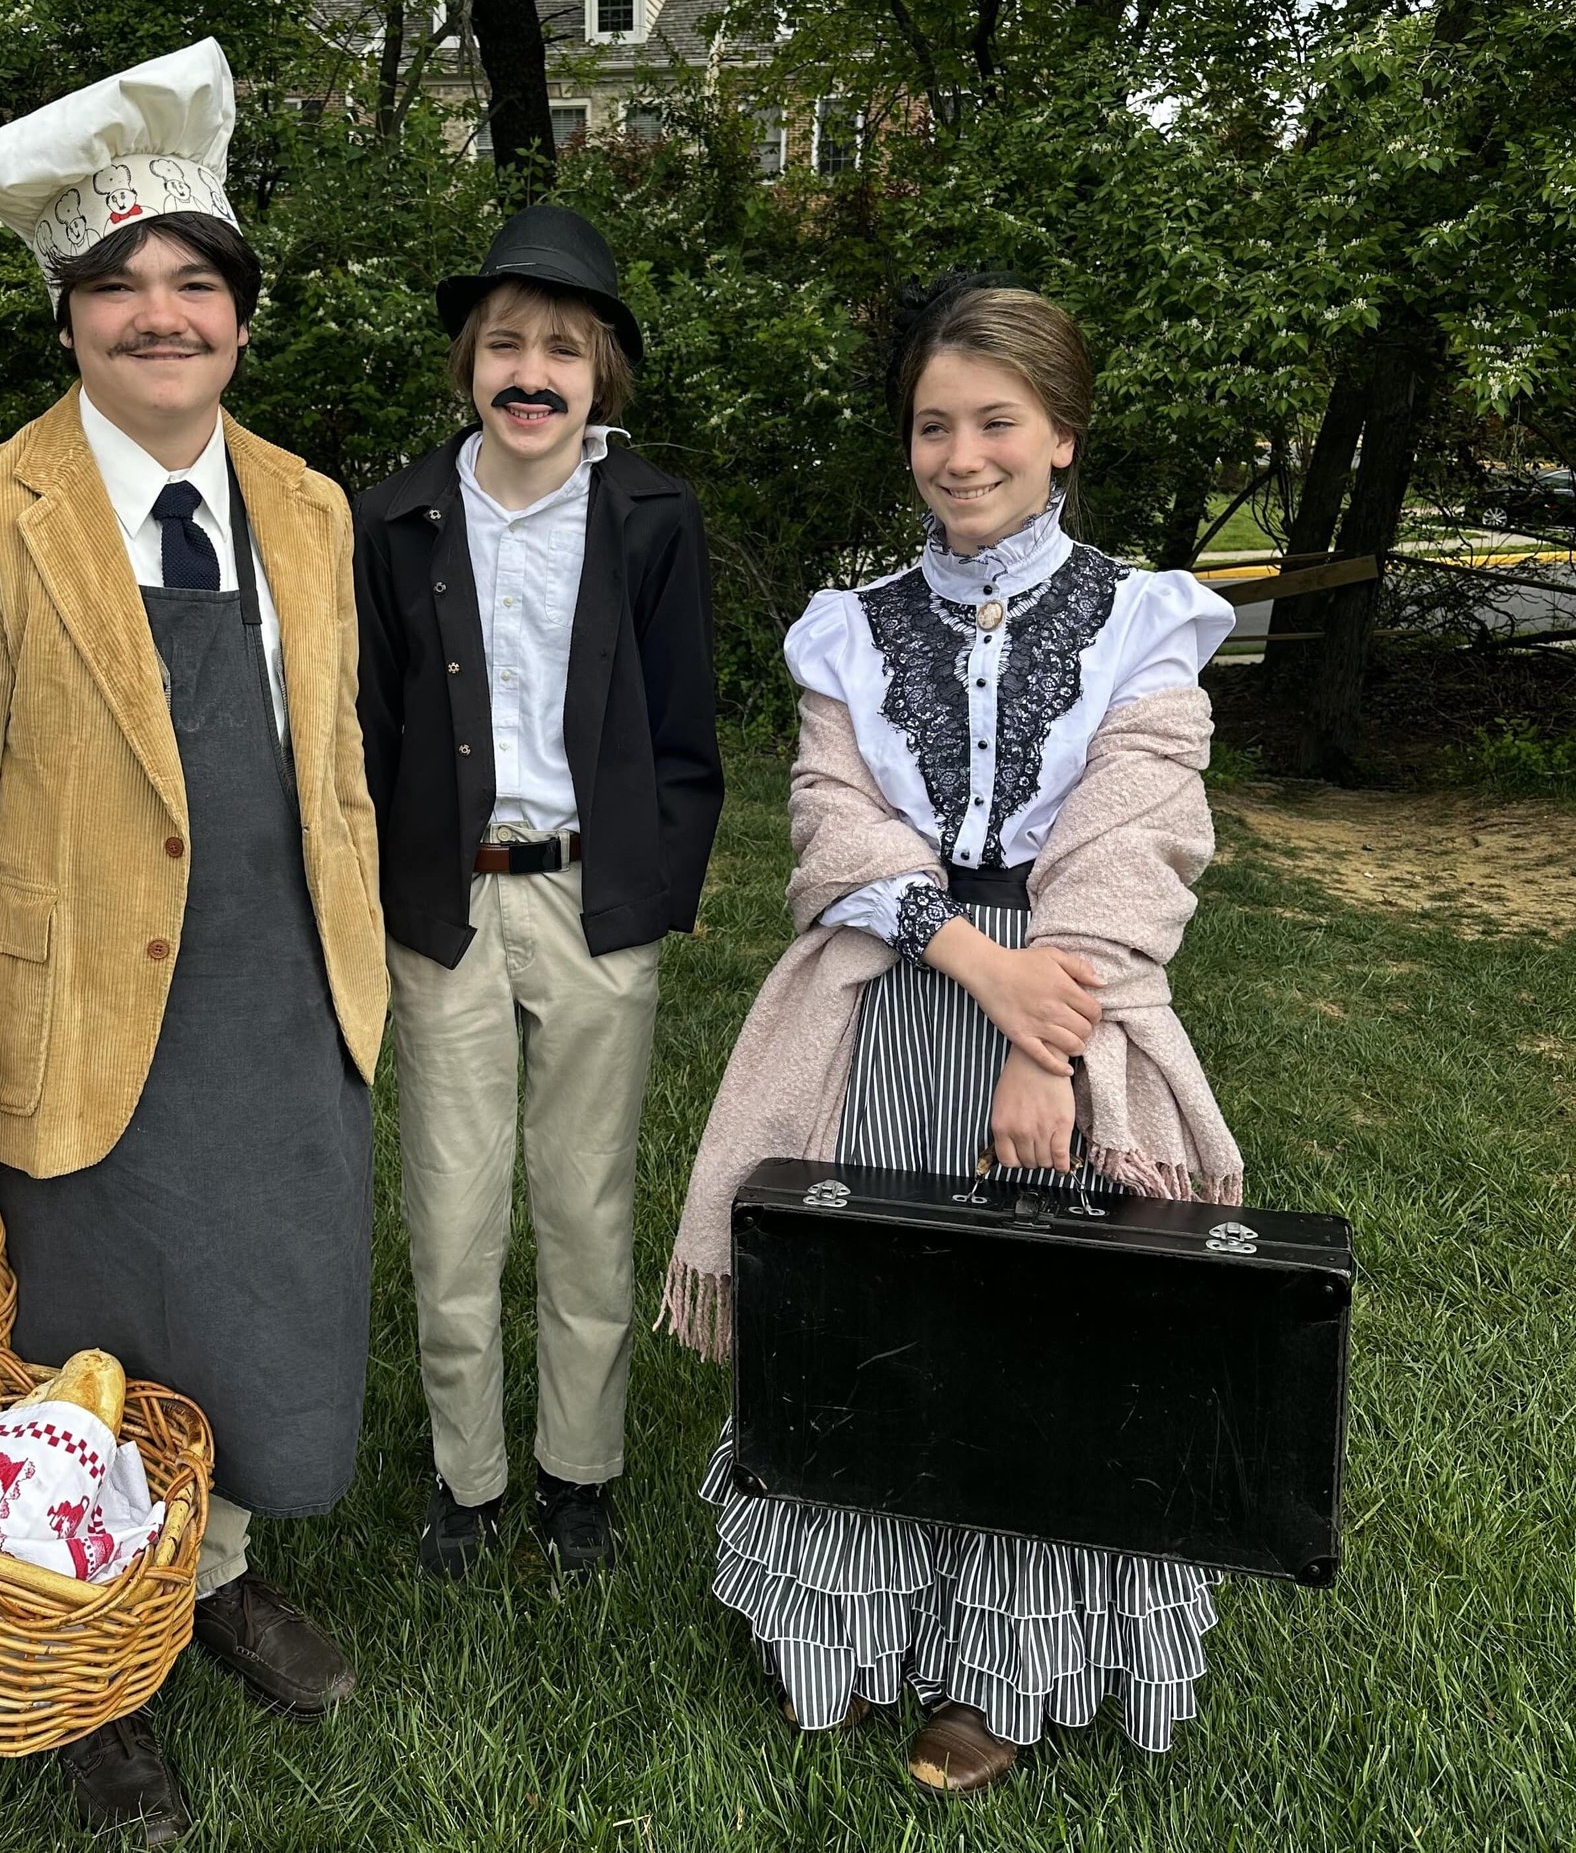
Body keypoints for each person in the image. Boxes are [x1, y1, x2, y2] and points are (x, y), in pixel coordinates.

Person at [0, 39, 388, 1844]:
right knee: (75, 1347)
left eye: (196, 284)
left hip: (272, 1004)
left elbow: (337, 770)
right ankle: (84, 1661)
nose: (162, 317)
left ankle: (208, 1568)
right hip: (66, 1034)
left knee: (247, 1327)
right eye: (119, 289)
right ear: (67, 319)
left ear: (239, 313)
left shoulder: (307, 505)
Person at [662, 276, 1246, 1794]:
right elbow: (831, 829)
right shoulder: (850, 632)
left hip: (1075, 1015)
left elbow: (1135, 847)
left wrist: (1040, 1045)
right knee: (875, 1307)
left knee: (1039, 1325)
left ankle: (1008, 1661)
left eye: (998, 421)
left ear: (1064, 436)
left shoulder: (1142, 623)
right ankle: (847, 1626)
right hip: (895, 1004)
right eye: (935, 424)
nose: (962, 451)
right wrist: (971, 962)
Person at [354, 206, 723, 1580]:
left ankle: (579, 1471)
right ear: (467, 367)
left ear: (600, 377)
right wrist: (386, 878)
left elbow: (687, 727)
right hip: (446, 904)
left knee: (585, 1201)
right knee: (452, 1204)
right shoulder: (393, 518)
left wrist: (663, 880)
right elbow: (367, 721)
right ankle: (468, 1476)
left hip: (593, 903)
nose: (531, 372)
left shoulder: (651, 517)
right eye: (504, 344)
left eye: (561, 349)